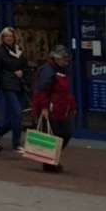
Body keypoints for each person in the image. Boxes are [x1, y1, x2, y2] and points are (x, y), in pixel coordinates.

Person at [28, 44, 77, 173]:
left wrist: (72, 106)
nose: (65, 61)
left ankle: (51, 159)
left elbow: (66, 92)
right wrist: (44, 108)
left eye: (66, 58)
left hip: (62, 109)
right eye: (63, 58)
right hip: (51, 109)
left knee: (65, 134)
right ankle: (49, 163)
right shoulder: (47, 70)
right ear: (55, 58)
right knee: (53, 135)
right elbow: (42, 91)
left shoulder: (63, 70)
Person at [0, 27, 29, 149]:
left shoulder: (19, 50)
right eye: (6, 36)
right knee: (17, 113)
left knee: (17, 115)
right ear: (2, 38)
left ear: (14, 38)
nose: (9, 38)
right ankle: (16, 143)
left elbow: (25, 66)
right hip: (7, 85)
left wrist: (22, 72)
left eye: (11, 36)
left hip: (19, 85)